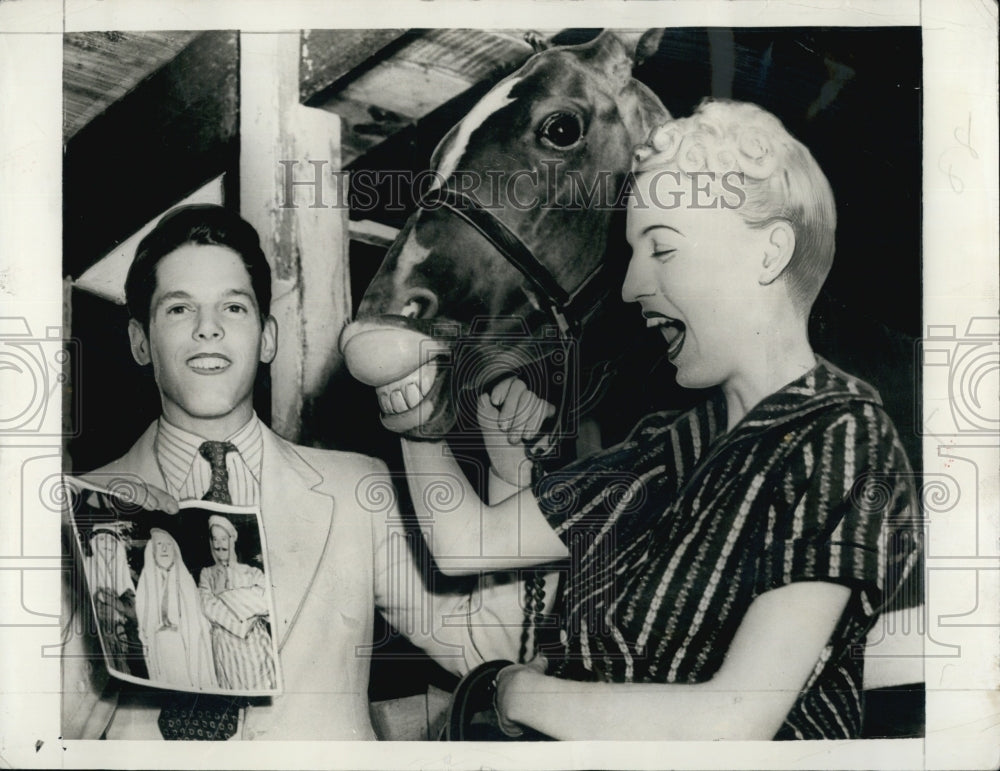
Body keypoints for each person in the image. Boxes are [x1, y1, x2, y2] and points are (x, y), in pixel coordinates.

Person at [400, 99, 922, 740]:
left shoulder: (840, 439)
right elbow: (465, 544)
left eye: (663, 249)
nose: (631, 286)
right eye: (633, 253)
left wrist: (521, 692)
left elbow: (732, 722)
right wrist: (411, 398)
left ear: (770, 254)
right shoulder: (668, 444)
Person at [61, 204, 494, 740]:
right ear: (139, 342)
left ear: (268, 338)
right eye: (178, 309)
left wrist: (515, 466)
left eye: (234, 308)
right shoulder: (75, 511)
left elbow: (479, 644)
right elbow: (50, 732)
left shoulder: (359, 489)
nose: (208, 329)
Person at [197, 514, 276, 691]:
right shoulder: (207, 574)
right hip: (226, 648)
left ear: (232, 540)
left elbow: (266, 602)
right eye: (215, 539)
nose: (219, 544)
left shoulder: (252, 572)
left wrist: (225, 596)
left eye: (223, 538)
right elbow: (207, 605)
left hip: (257, 645)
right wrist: (242, 621)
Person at [135, 527, 216, 689]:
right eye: (159, 544)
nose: (164, 549)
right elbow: (142, 616)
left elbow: (196, 617)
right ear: (152, 550)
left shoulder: (185, 579)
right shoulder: (147, 580)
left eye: (168, 545)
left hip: (182, 641)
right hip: (159, 644)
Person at [84, 525, 146, 677]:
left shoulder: (128, 581)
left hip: (128, 647)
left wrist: (120, 606)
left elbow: (136, 613)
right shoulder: (86, 574)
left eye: (112, 541)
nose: (107, 544)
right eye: (102, 539)